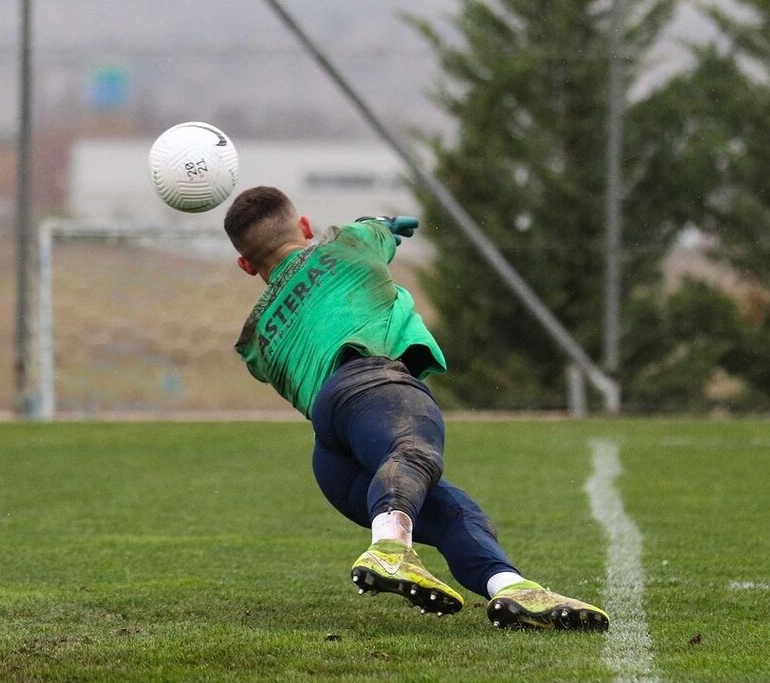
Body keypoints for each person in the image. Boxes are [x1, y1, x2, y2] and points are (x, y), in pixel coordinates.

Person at [223, 185, 609, 631]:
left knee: (457, 514)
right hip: (374, 387)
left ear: (246, 265)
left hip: (333, 458)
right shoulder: (348, 241)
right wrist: (384, 224)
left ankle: (511, 588)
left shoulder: (255, 344)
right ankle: (389, 549)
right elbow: (382, 228)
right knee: (414, 450)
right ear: (305, 227)